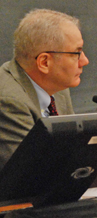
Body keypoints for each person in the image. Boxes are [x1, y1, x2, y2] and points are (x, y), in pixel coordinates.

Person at [0, 9, 89, 170]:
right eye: (76, 53)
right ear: (45, 63)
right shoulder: (9, 101)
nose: (84, 61)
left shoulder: (57, 89)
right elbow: (30, 173)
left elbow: (69, 149)